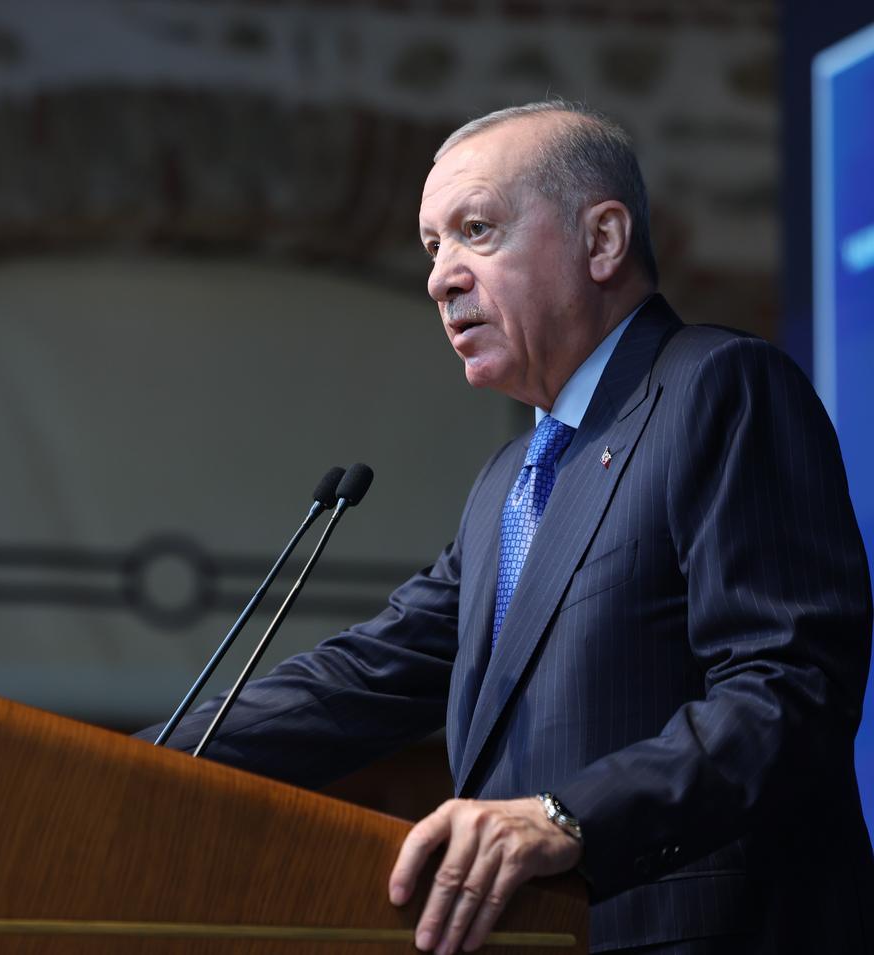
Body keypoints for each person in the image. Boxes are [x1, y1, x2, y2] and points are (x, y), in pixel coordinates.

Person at [147, 101, 874, 954]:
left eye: (476, 231)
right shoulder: (509, 482)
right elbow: (365, 676)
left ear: (603, 241)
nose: (440, 278)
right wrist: (122, 765)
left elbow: (789, 690)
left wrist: (569, 817)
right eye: (432, 247)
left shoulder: (719, 389)